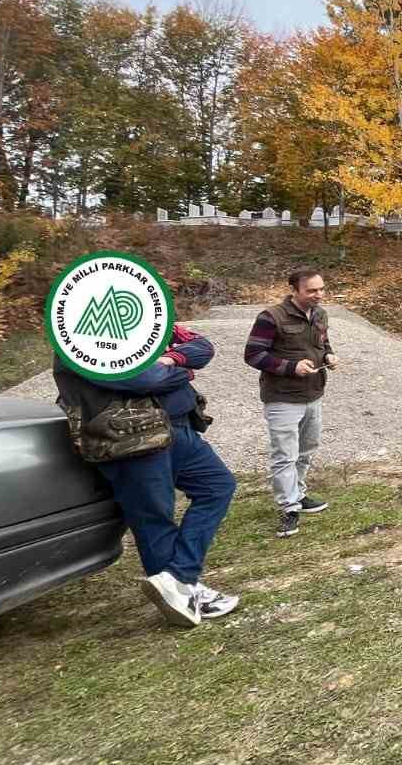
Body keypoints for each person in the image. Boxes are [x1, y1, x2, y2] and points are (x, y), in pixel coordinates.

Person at [53, 322, 239, 628]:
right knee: (154, 517)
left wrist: (169, 360)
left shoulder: (144, 326)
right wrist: (183, 370)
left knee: (217, 486)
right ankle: (182, 595)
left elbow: (202, 347)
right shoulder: (78, 340)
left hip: (176, 428)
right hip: (129, 438)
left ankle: (179, 578)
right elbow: (142, 378)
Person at [244, 267, 338, 539]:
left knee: (307, 449)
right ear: (295, 290)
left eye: (321, 289)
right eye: (312, 291)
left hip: (314, 393)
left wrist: (330, 357)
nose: (319, 295)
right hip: (282, 397)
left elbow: (323, 343)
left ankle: (299, 494)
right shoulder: (270, 317)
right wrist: (290, 367)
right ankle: (289, 508)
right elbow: (253, 355)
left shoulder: (320, 314)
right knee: (285, 454)